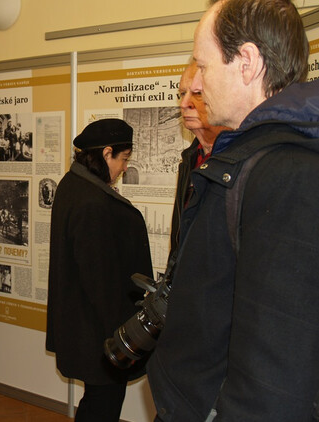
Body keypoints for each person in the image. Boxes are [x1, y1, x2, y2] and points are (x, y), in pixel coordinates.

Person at [147, 1, 319, 420]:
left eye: (203, 67)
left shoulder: (288, 173)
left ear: (247, 63)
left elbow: (275, 378)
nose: (198, 85)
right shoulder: (252, 160)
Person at [46, 118, 153, 422]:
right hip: (99, 334)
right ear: (107, 154)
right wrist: (125, 336)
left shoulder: (73, 185)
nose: (123, 168)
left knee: (95, 404)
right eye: (124, 159)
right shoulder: (92, 202)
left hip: (83, 328)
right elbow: (100, 280)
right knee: (103, 406)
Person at [168, 61, 229, 264]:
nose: (185, 103)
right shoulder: (190, 159)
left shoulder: (238, 160)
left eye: (197, 93)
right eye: (182, 93)